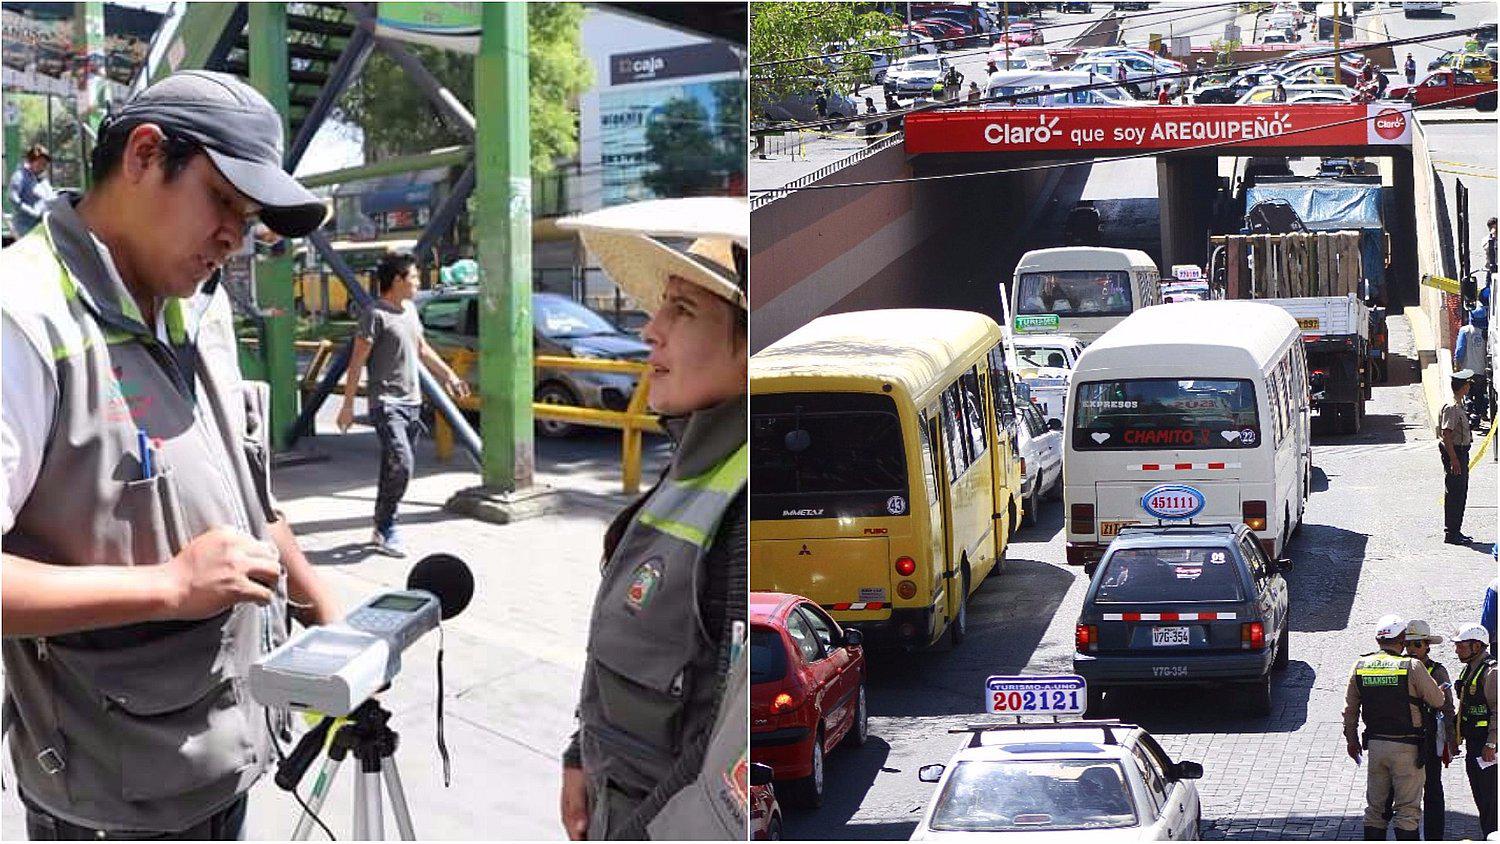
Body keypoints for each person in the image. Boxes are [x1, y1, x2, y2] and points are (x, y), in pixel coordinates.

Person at [1, 70, 339, 839]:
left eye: (251, 218)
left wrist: (320, 604)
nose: (236, 238)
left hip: (226, 760)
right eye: (224, 201)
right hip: (110, 803)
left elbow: (249, 500)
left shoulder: (197, 306)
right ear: (145, 155)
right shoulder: (22, 315)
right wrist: (167, 585)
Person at [557, 228, 748, 839]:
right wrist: (577, 753)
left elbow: (721, 749)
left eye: (684, 310)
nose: (650, 330)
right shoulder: (694, 457)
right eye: (662, 304)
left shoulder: (745, 511)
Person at [336, 252, 468, 557]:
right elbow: (357, 363)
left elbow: (422, 349)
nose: (419, 282)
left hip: (412, 402)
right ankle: (387, 525)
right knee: (403, 461)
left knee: (392, 468)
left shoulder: (410, 311)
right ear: (397, 280)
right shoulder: (375, 315)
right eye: (414, 277)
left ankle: (380, 526)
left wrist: (449, 376)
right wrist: (347, 406)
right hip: (386, 403)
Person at [1342, 615, 1447, 840]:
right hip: (1407, 748)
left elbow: (1350, 710)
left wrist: (1352, 740)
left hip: (1376, 746)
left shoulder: (1360, 665)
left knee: (1375, 810)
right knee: (1407, 811)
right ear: (1401, 639)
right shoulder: (1412, 665)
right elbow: (1438, 701)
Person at [1381, 621, 1456, 840]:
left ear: (1427, 646)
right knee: (1392, 791)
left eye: (1417, 644)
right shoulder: (1399, 666)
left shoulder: (1438, 671)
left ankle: (1434, 837)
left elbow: (1448, 708)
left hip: (1429, 739)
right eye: (1408, 644)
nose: (1412, 649)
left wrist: (1451, 739)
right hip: (1402, 740)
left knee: (1432, 790)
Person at [1453, 623, 1497, 836]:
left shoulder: (1492, 672)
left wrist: (1491, 743)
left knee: (1491, 800)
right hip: (1473, 743)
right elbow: (1463, 707)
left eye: (1461, 646)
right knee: (1480, 796)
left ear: (1477, 646)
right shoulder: (1469, 668)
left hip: (1488, 747)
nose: (1457, 650)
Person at [1438, 370, 1475, 544]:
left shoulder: (1458, 405)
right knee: (1455, 494)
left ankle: (1456, 531)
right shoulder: (1452, 407)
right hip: (1456, 454)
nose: (1469, 387)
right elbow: (1447, 434)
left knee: (1460, 493)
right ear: (1464, 387)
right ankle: (1451, 533)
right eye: (1468, 384)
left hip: (1461, 453)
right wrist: (1453, 459)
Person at [7, 144, 53, 239]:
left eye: (45, 164)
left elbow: (49, 196)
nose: (43, 167)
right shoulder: (20, 176)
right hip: (24, 228)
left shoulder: (42, 179)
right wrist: (32, 212)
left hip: (41, 226)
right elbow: (13, 199)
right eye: (41, 163)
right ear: (31, 161)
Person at [1456, 310, 1489, 427]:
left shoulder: (1465, 331)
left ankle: (1469, 417)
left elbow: (1459, 351)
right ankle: (1478, 416)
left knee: (1468, 394)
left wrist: (1457, 364)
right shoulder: (1485, 332)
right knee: (1479, 394)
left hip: (1467, 371)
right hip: (1481, 371)